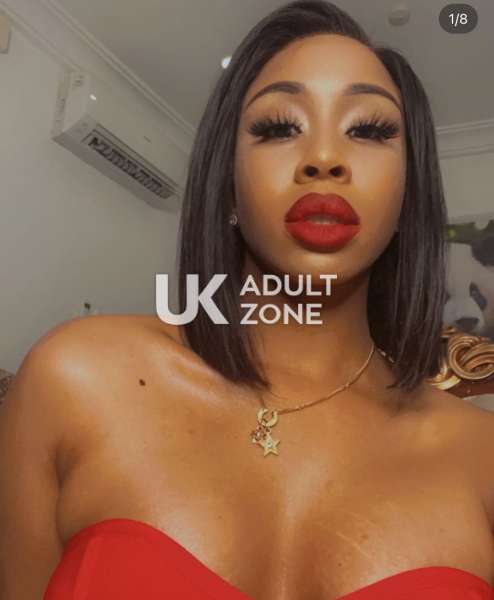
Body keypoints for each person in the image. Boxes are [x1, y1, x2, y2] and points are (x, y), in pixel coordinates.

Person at [1, 1, 494, 599]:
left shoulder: (481, 457)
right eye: (279, 127)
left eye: (368, 130)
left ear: (407, 196)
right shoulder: (75, 379)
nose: (324, 158)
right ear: (228, 186)